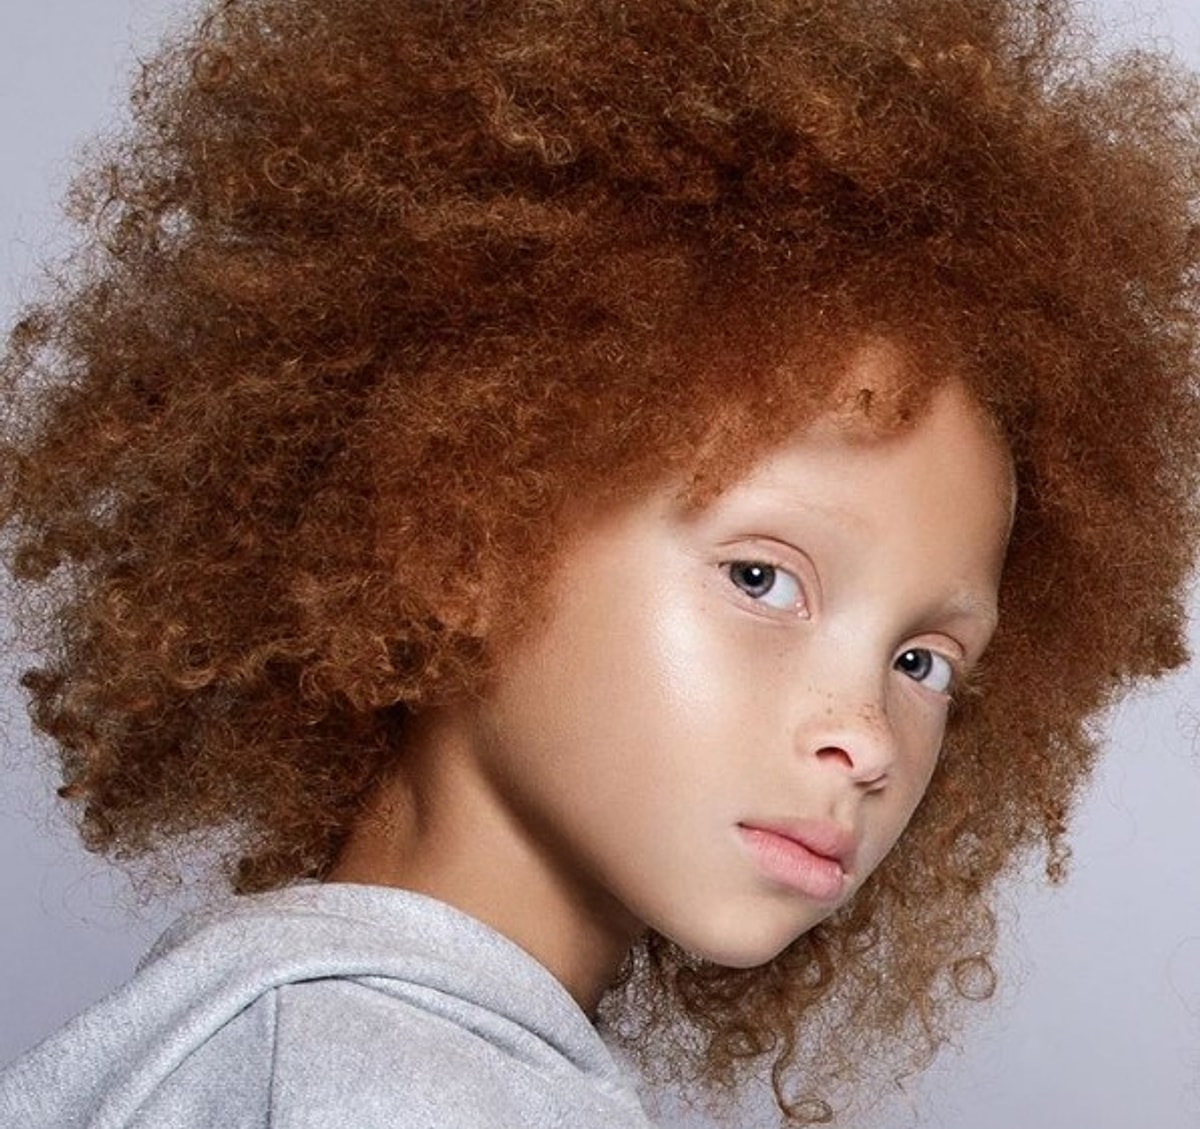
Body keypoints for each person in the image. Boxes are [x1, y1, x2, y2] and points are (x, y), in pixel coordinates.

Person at [1, 1, 1198, 1125]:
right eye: (761, 578)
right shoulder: (402, 1090)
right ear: (463, 539)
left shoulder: (253, 1030)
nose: (870, 739)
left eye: (924, 660)